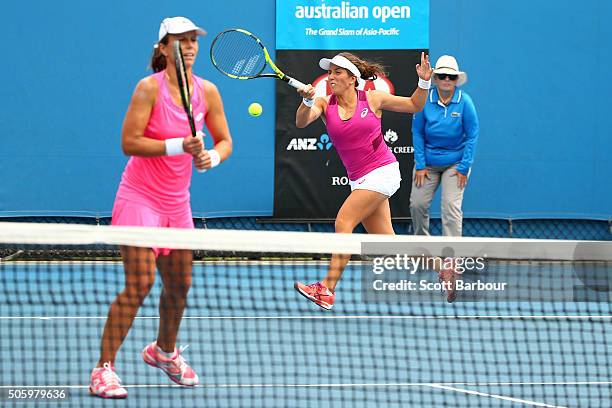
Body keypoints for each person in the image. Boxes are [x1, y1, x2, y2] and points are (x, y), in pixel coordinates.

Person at [89, 17, 233, 399]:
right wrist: (177, 146)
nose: (188, 46)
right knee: (140, 284)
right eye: (179, 41)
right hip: (139, 197)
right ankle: (103, 369)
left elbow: (224, 141)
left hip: (177, 203)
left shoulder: (209, 92)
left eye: (192, 41)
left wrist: (211, 159)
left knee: (180, 285)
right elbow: (129, 142)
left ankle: (163, 352)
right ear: (162, 48)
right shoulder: (147, 89)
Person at [293, 52, 432, 310]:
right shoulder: (324, 104)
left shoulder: (372, 98)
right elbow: (301, 122)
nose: (331, 77)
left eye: (337, 72)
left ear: (351, 78)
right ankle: (442, 265)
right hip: (359, 179)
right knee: (387, 242)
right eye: (330, 72)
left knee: (343, 221)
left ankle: (327, 289)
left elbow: (415, 105)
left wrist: (424, 82)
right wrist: (305, 100)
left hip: (383, 171)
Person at [409, 55, 479, 302]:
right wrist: (419, 165)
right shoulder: (425, 101)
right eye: (442, 76)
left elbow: (472, 135)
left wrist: (464, 166)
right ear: (436, 79)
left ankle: (451, 262)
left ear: (456, 80)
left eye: (451, 77)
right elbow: (417, 133)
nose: (447, 80)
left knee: (450, 207)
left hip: (455, 165)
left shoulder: (465, 103)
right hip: (427, 164)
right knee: (417, 204)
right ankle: (424, 252)